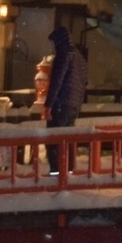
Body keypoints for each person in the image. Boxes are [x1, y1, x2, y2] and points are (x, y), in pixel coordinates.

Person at [44, 26, 88, 175]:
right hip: (74, 105)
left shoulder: (64, 54)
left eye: (53, 43)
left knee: (54, 139)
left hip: (61, 103)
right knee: (67, 139)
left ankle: (56, 173)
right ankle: (67, 171)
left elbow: (57, 80)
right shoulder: (79, 57)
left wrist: (48, 104)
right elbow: (82, 83)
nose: (53, 46)